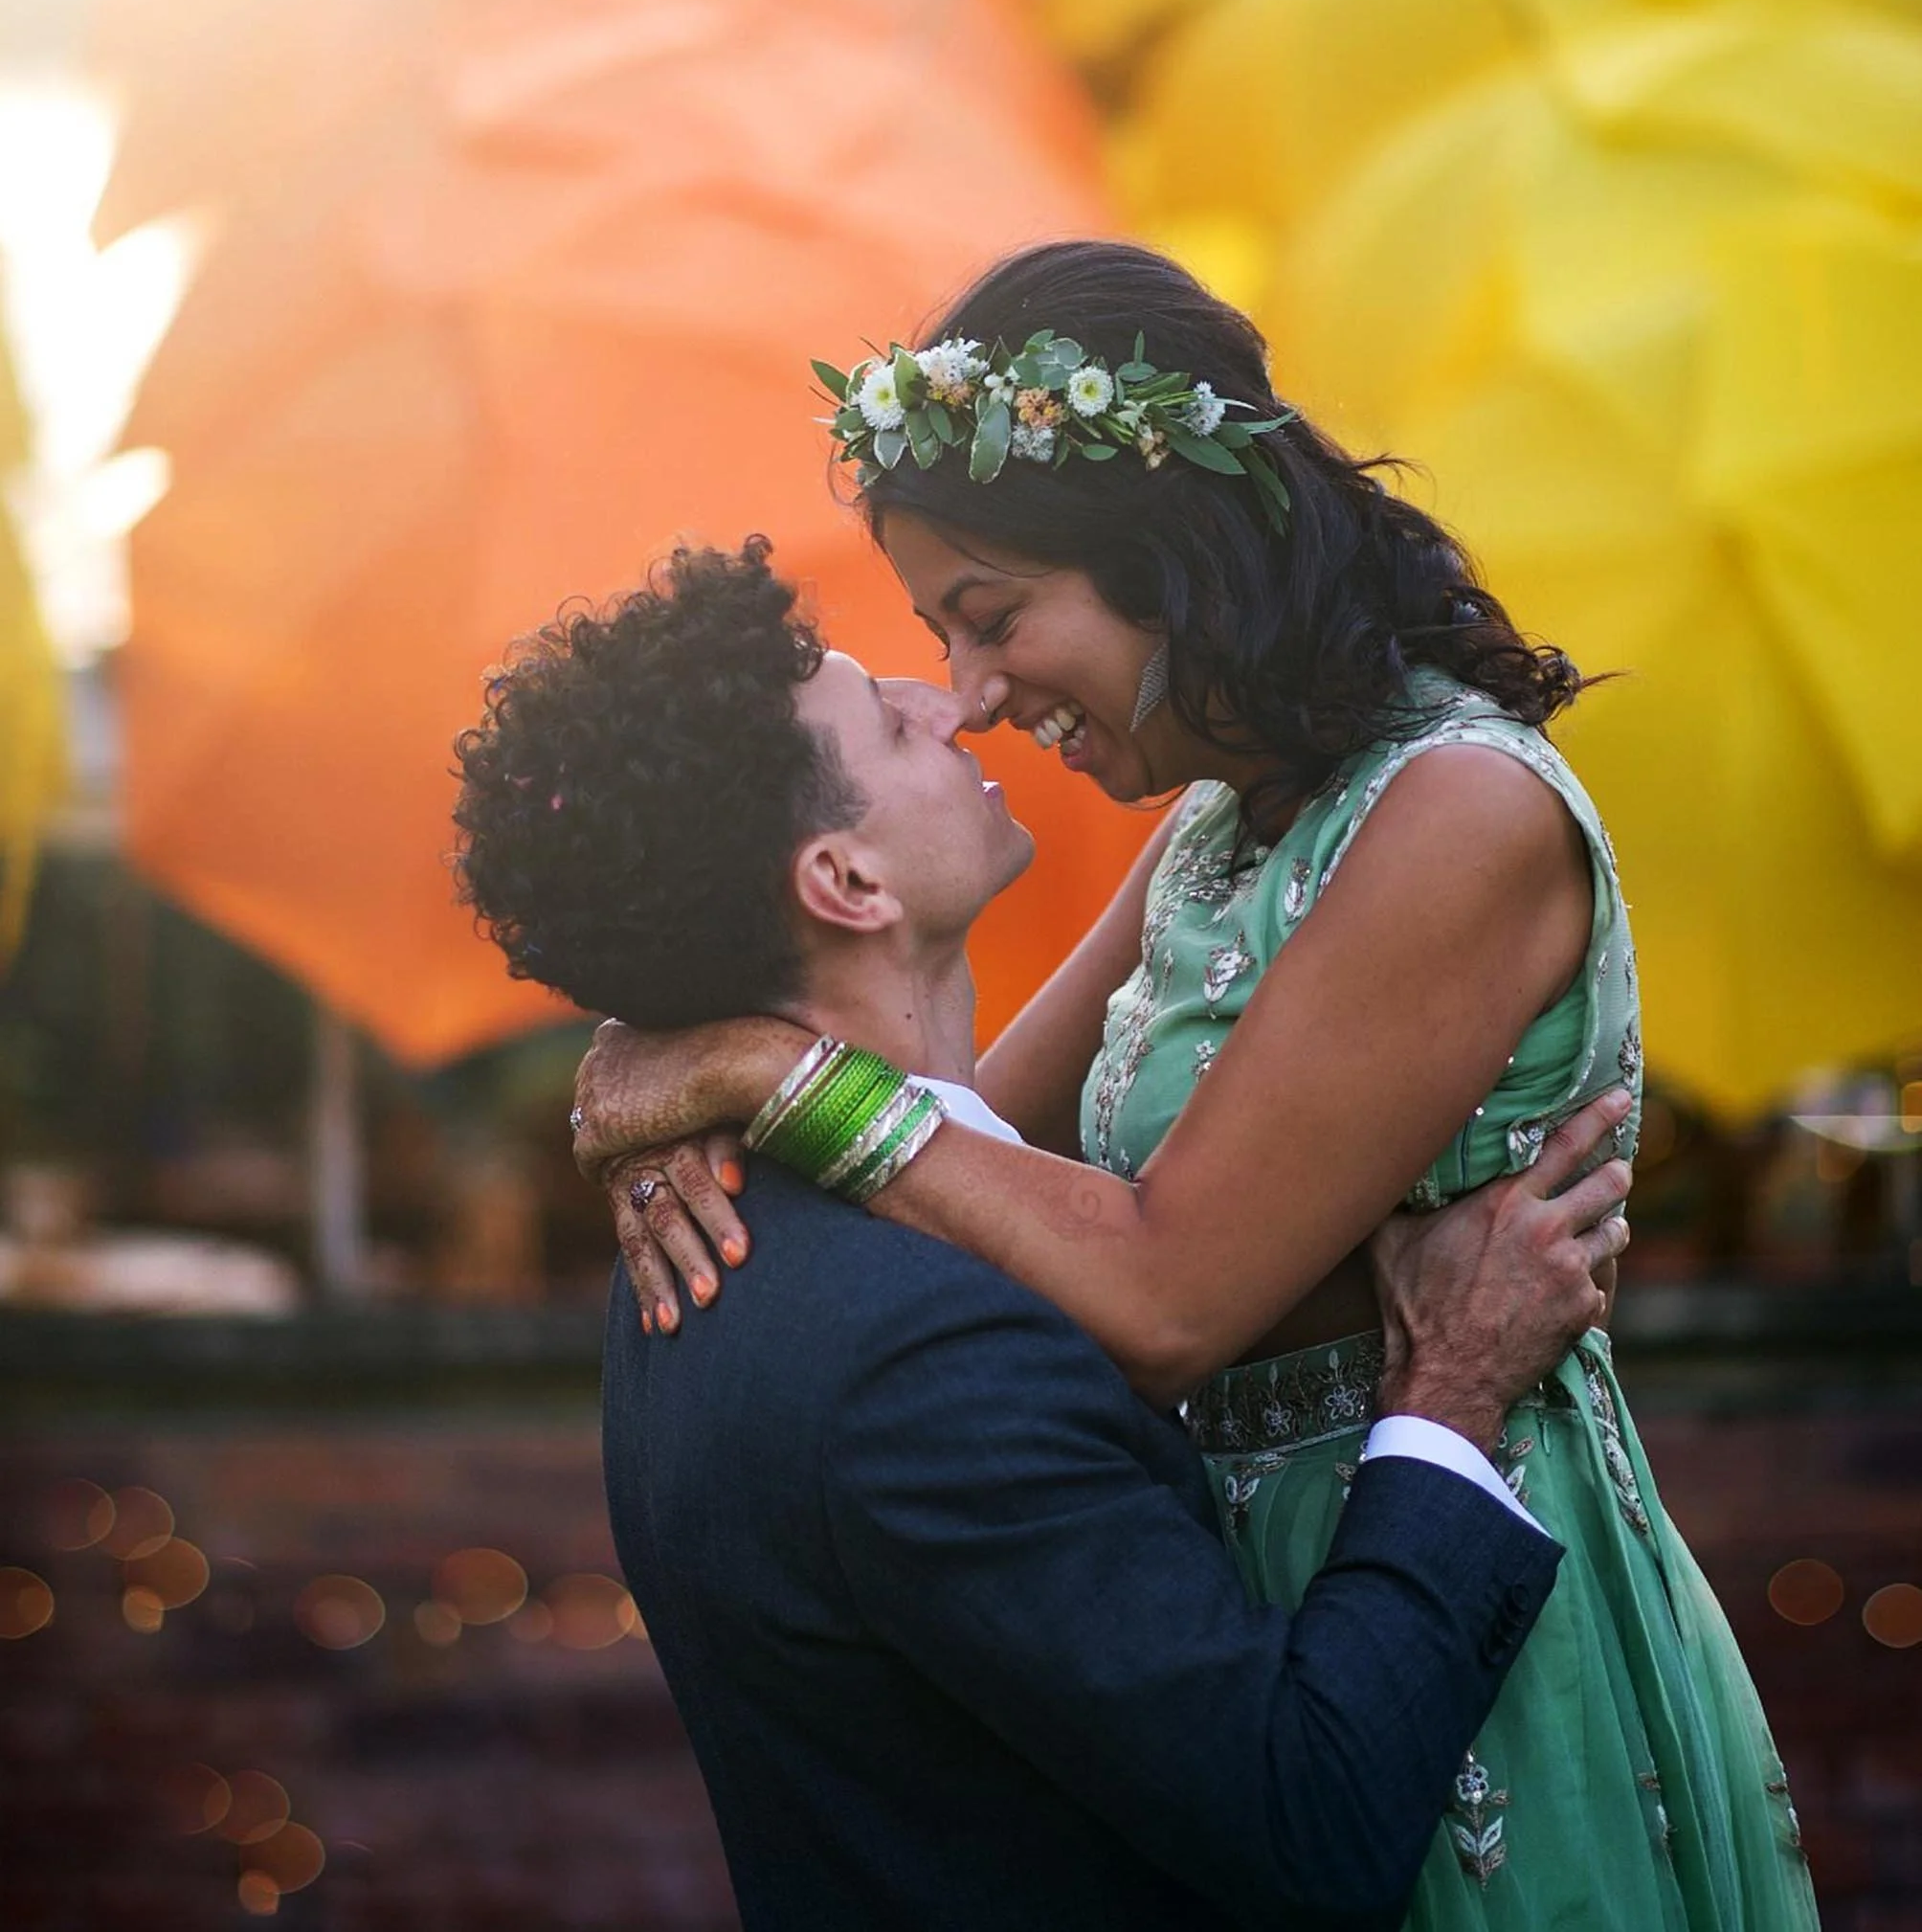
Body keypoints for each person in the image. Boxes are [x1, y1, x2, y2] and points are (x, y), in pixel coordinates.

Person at [570, 244, 1819, 1931]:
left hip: (1465, 1633)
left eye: (992, 616)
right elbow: (966, 1157)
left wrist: (753, 1062)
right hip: (1242, 1646)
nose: (974, 693)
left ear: (1169, 552)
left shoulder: (1458, 816)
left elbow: (1156, 1289)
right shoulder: (1210, 836)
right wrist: (669, 1072)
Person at [452, 538, 1635, 1932]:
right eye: (888, 718)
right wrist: (1447, 1396)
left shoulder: (734, 1232)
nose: (946, 702)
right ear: (847, 882)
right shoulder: (930, 1362)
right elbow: (1305, 1817)